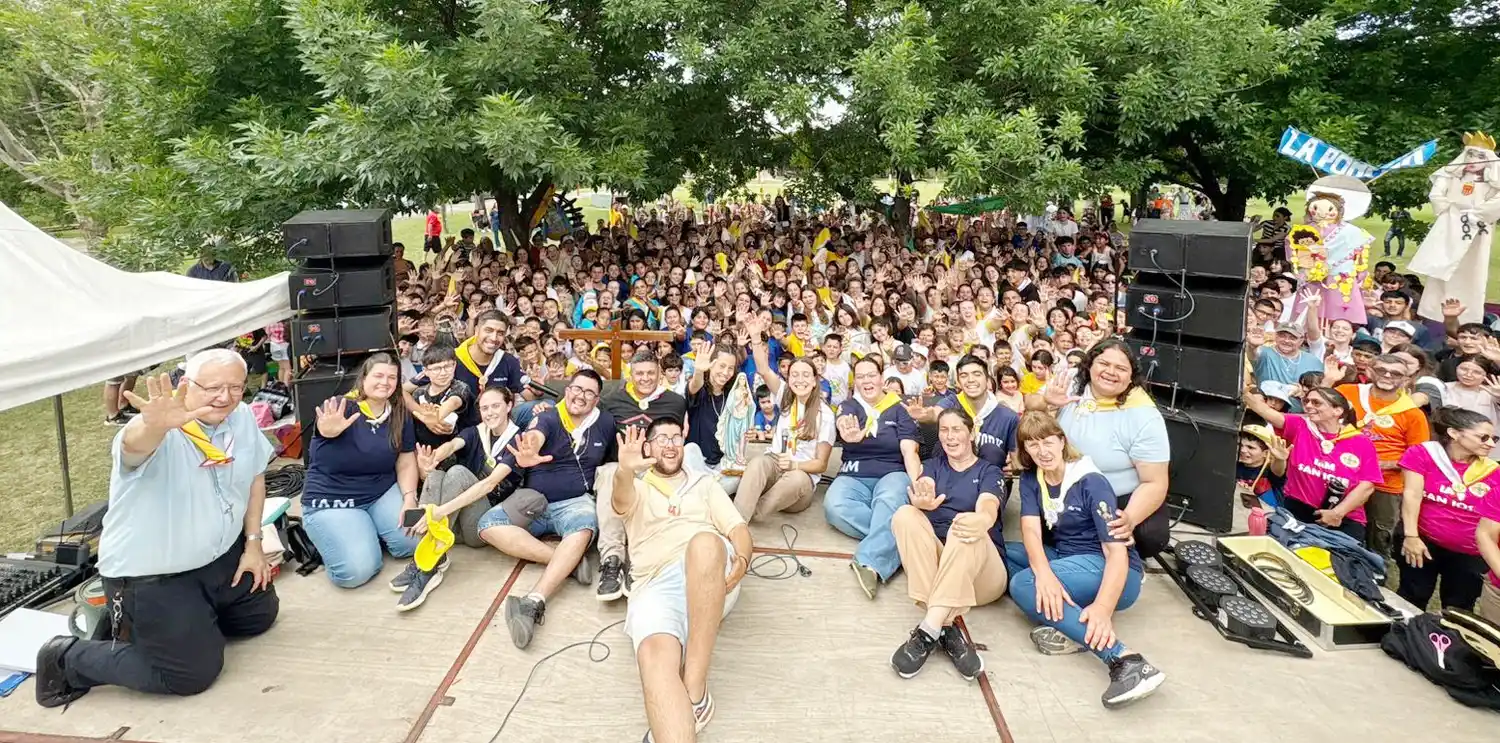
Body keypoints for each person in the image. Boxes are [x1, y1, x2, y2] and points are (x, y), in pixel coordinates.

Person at [35, 351, 277, 706]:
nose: (224, 397)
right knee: (190, 675)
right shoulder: (161, 431)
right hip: (156, 575)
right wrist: (154, 425)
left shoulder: (240, 417)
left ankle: (175, 626)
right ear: (185, 384)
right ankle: (68, 657)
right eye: (211, 387)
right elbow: (133, 446)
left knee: (259, 616)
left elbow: (256, 475)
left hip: (221, 555)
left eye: (235, 387)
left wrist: (253, 545)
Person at [1007, 411, 1163, 708]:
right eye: (1033, 445)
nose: (1043, 451)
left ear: (1061, 441)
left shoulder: (1090, 480)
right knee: (1001, 555)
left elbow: (1115, 552)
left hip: (1113, 571)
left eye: (1048, 442)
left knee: (1023, 584)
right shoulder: (1031, 478)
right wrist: (1046, 574)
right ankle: (1071, 627)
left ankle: (1124, 659)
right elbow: (1030, 529)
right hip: (1068, 559)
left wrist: (1103, 608)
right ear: (1025, 450)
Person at [612, 421, 751, 743]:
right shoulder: (637, 486)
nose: (670, 444)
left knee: (704, 543)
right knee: (654, 656)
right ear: (646, 448)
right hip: (654, 583)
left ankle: (695, 689)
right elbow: (620, 500)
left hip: (710, 573)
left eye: (675, 437)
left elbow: (738, 529)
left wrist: (742, 562)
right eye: (660, 439)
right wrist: (623, 470)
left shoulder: (703, 483)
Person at [477, 370, 615, 648]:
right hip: (534, 502)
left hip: (575, 502)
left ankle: (533, 601)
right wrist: (530, 450)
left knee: (584, 527)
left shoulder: (606, 423)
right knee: (488, 526)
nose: (581, 396)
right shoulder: (549, 415)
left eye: (589, 392)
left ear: (597, 399)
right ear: (567, 389)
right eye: (577, 388)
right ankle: (568, 561)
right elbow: (536, 435)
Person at [888, 408, 1006, 681]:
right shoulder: (933, 466)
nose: (950, 437)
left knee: (964, 524)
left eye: (957, 429)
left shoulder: (989, 470)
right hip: (942, 572)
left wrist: (984, 519)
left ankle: (927, 629)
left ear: (971, 432)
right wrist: (921, 499)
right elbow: (924, 484)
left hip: (982, 576)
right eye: (944, 430)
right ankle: (946, 626)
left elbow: (988, 504)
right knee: (905, 515)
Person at [1033, 340, 1171, 558]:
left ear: (1131, 375)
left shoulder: (1144, 415)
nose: (1111, 372)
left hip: (1119, 495)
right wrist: (1046, 403)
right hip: (1067, 487)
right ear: (1089, 365)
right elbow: (1029, 406)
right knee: (1045, 529)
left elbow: (1155, 482)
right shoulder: (1069, 382)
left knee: (1150, 534)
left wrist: (1130, 519)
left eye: (1121, 368)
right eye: (1104, 363)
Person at [300, 353, 422, 588]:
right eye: (378, 375)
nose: (384, 382)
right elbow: (324, 433)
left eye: (392, 377)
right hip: (334, 499)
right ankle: (335, 534)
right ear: (363, 378)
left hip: (380, 492)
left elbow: (406, 459)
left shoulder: (399, 413)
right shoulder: (341, 405)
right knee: (356, 573)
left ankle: (368, 529)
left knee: (415, 544)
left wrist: (409, 498)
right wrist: (327, 431)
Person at [594, 351, 690, 602]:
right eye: (639, 373)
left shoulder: (675, 402)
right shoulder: (611, 400)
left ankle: (638, 560)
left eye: (650, 372)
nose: (645, 378)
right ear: (630, 374)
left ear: (659, 374)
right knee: (607, 475)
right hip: (621, 466)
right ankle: (611, 560)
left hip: (655, 469)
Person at [826, 356, 922, 598]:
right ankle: (898, 538)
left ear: (882, 378)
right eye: (860, 376)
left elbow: (909, 450)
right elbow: (843, 422)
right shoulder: (849, 406)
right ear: (855, 382)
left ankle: (871, 563)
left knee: (890, 499)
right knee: (833, 507)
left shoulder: (900, 409)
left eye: (871, 375)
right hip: (854, 473)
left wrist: (917, 483)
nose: (866, 380)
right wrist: (849, 434)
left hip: (892, 472)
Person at [1245, 385, 1383, 541]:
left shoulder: (1361, 442)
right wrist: (1242, 389)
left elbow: (1367, 485)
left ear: (1337, 411)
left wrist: (1337, 513)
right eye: (1307, 401)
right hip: (1297, 509)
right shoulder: (1300, 425)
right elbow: (1264, 411)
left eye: (1316, 403)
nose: (1309, 406)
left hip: (1343, 517)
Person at [1396, 407, 1500, 611]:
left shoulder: (1493, 471)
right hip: (1423, 541)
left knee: (1459, 608)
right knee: (1412, 597)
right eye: (1483, 437)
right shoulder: (1423, 454)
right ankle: (1402, 638)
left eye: (1493, 439)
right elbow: (1412, 495)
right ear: (1454, 433)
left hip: (1470, 552)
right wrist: (1411, 536)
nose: (1490, 444)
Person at [738, 332, 834, 522]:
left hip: (801, 479)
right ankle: (736, 520)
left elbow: (821, 464)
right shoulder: (785, 397)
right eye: (795, 375)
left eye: (806, 375)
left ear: (815, 380)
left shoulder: (825, 415)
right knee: (757, 462)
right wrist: (756, 337)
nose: (800, 380)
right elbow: (764, 369)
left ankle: (754, 514)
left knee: (796, 478)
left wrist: (794, 465)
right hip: (776, 463)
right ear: (788, 379)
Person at [1338, 354, 1430, 554]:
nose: (1388, 376)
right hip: (1340, 474)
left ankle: (1374, 574)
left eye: (1396, 373)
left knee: (1377, 538)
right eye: (1381, 370)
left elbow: (1418, 458)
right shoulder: (1346, 392)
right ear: (1369, 371)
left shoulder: (1413, 414)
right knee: (1335, 524)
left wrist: (1379, 465)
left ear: (1406, 380)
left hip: (1385, 485)